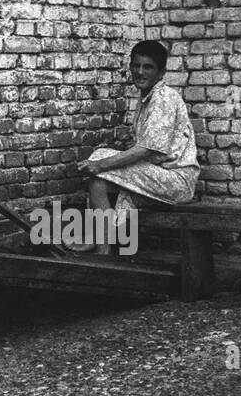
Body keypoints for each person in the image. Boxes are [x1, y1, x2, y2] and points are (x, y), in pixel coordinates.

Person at [75, 40, 200, 254]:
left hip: (176, 181)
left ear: (161, 73)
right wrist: (101, 168)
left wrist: (100, 164)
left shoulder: (164, 99)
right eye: (136, 65)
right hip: (157, 177)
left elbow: (147, 150)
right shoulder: (146, 99)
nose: (140, 72)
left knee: (100, 158)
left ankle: (99, 244)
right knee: (98, 183)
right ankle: (102, 250)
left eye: (148, 67)